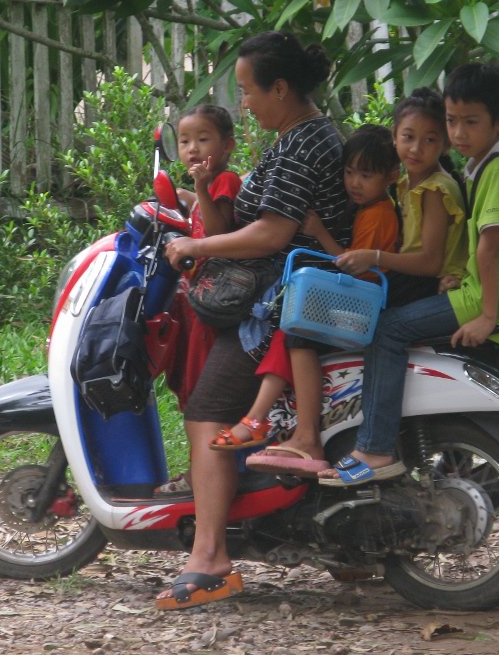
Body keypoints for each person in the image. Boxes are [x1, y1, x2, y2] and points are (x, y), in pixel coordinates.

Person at [157, 31, 347, 609]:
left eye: (247, 91)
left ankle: (210, 558)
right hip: (290, 295)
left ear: (281, 89)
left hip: (276, 303)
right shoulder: (306, 136)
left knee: (207, 409)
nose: (244, 103)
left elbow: (271, 233)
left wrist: (198, 250)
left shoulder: (300, 146)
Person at [318, 62, 499, 487]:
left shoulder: (491, 171)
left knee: (387, 330)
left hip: (489, 299)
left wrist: (487, 316)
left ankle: (375, 447)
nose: (459, 134)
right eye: (453, 122)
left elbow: (489, 247)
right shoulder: (484, 164)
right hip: (480, 290)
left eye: (470, 123)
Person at [248, 87, 468, 474]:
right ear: (395, 137)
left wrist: (371, 256)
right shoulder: (406, 186)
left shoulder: (435, 189)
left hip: (417, 283)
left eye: (430, 139)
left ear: (446, 141)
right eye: (408, 137)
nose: (417, 147)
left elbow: (430, 261)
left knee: (302, 330)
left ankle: (309, 436)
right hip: (403, 279)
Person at [208, 124, 400, 451]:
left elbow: (354, 265)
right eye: (350, 172)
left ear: (392, 176)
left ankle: (263, 420)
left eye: (366, 175)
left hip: (360, 302)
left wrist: (319, 231)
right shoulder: (369, 208)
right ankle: (265, 418)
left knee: (295, 329)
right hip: (356, 296)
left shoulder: (377, 215)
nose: (354, 182)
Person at [157, 105, 242, 496]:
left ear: (227, 145)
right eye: (185, 141)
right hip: (197, 297)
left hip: (213, 301)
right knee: (191, 388)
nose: (192, 149)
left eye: (202, 139)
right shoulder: (212, 183)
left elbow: (220, 229)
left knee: (201, 392)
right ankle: (199, 473)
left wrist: (203, 191)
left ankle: (200, 478)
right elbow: (201, 213)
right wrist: (188, 195)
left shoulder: (225, 181)